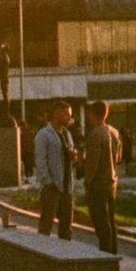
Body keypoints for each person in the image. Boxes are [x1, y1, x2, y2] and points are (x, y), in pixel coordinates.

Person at [83, 99, 122, 255]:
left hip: (98, 184)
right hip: (112, 183)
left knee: (101, 225)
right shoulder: (114, 132)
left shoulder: (96, 134)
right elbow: (118, 158)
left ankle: (105, 257)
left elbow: (93, 163)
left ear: (93, 113)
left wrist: (87, 182)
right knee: (111, 223)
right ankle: (113, 254)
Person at [34, 100, 76, 240]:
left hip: (66, 187)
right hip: (51, 187)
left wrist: (73, 157)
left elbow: (68, 158)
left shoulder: (67, 134)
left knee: (66, 228)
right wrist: (49, 182)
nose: (69, 118)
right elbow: (40, 161)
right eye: (67, 115)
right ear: (57, 114)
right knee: (46, 225)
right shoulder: (43, 134)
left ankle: (66, 256)